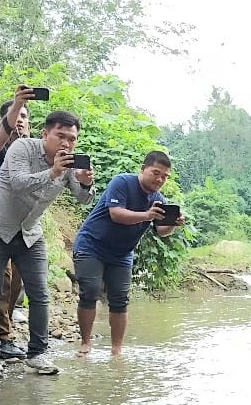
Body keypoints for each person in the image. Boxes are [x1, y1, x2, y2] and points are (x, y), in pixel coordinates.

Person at [0, 110, 94, 376]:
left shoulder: (70, 164)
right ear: (45, 134)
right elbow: (17, 183)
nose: (66, 143)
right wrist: (52, 172)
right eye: (60, 136)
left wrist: (85, 183)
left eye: (72, 139)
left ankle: (38, 353)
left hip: (29, 231)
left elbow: (83, 199)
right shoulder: (22, 147)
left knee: (40, 294)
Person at [73, 152, 183, 357]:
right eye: (156, 173)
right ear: (143, 169)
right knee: (90, 291)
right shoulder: (122, 182)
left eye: (165, 177)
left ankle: (116, 350)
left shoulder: (158, 200)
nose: (160, 179)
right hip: (92, 245)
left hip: (122, 254)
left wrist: (172, 224)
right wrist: (147, 215)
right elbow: (116, 214)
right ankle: (86, 343)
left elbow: (161, 232)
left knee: (120, 299)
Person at [0, 95, 34, 361]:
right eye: (17, 116)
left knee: (16, 284)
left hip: (24, 226)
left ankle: (5, 332)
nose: (21, 121)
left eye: (25, 117)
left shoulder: (36, 153)